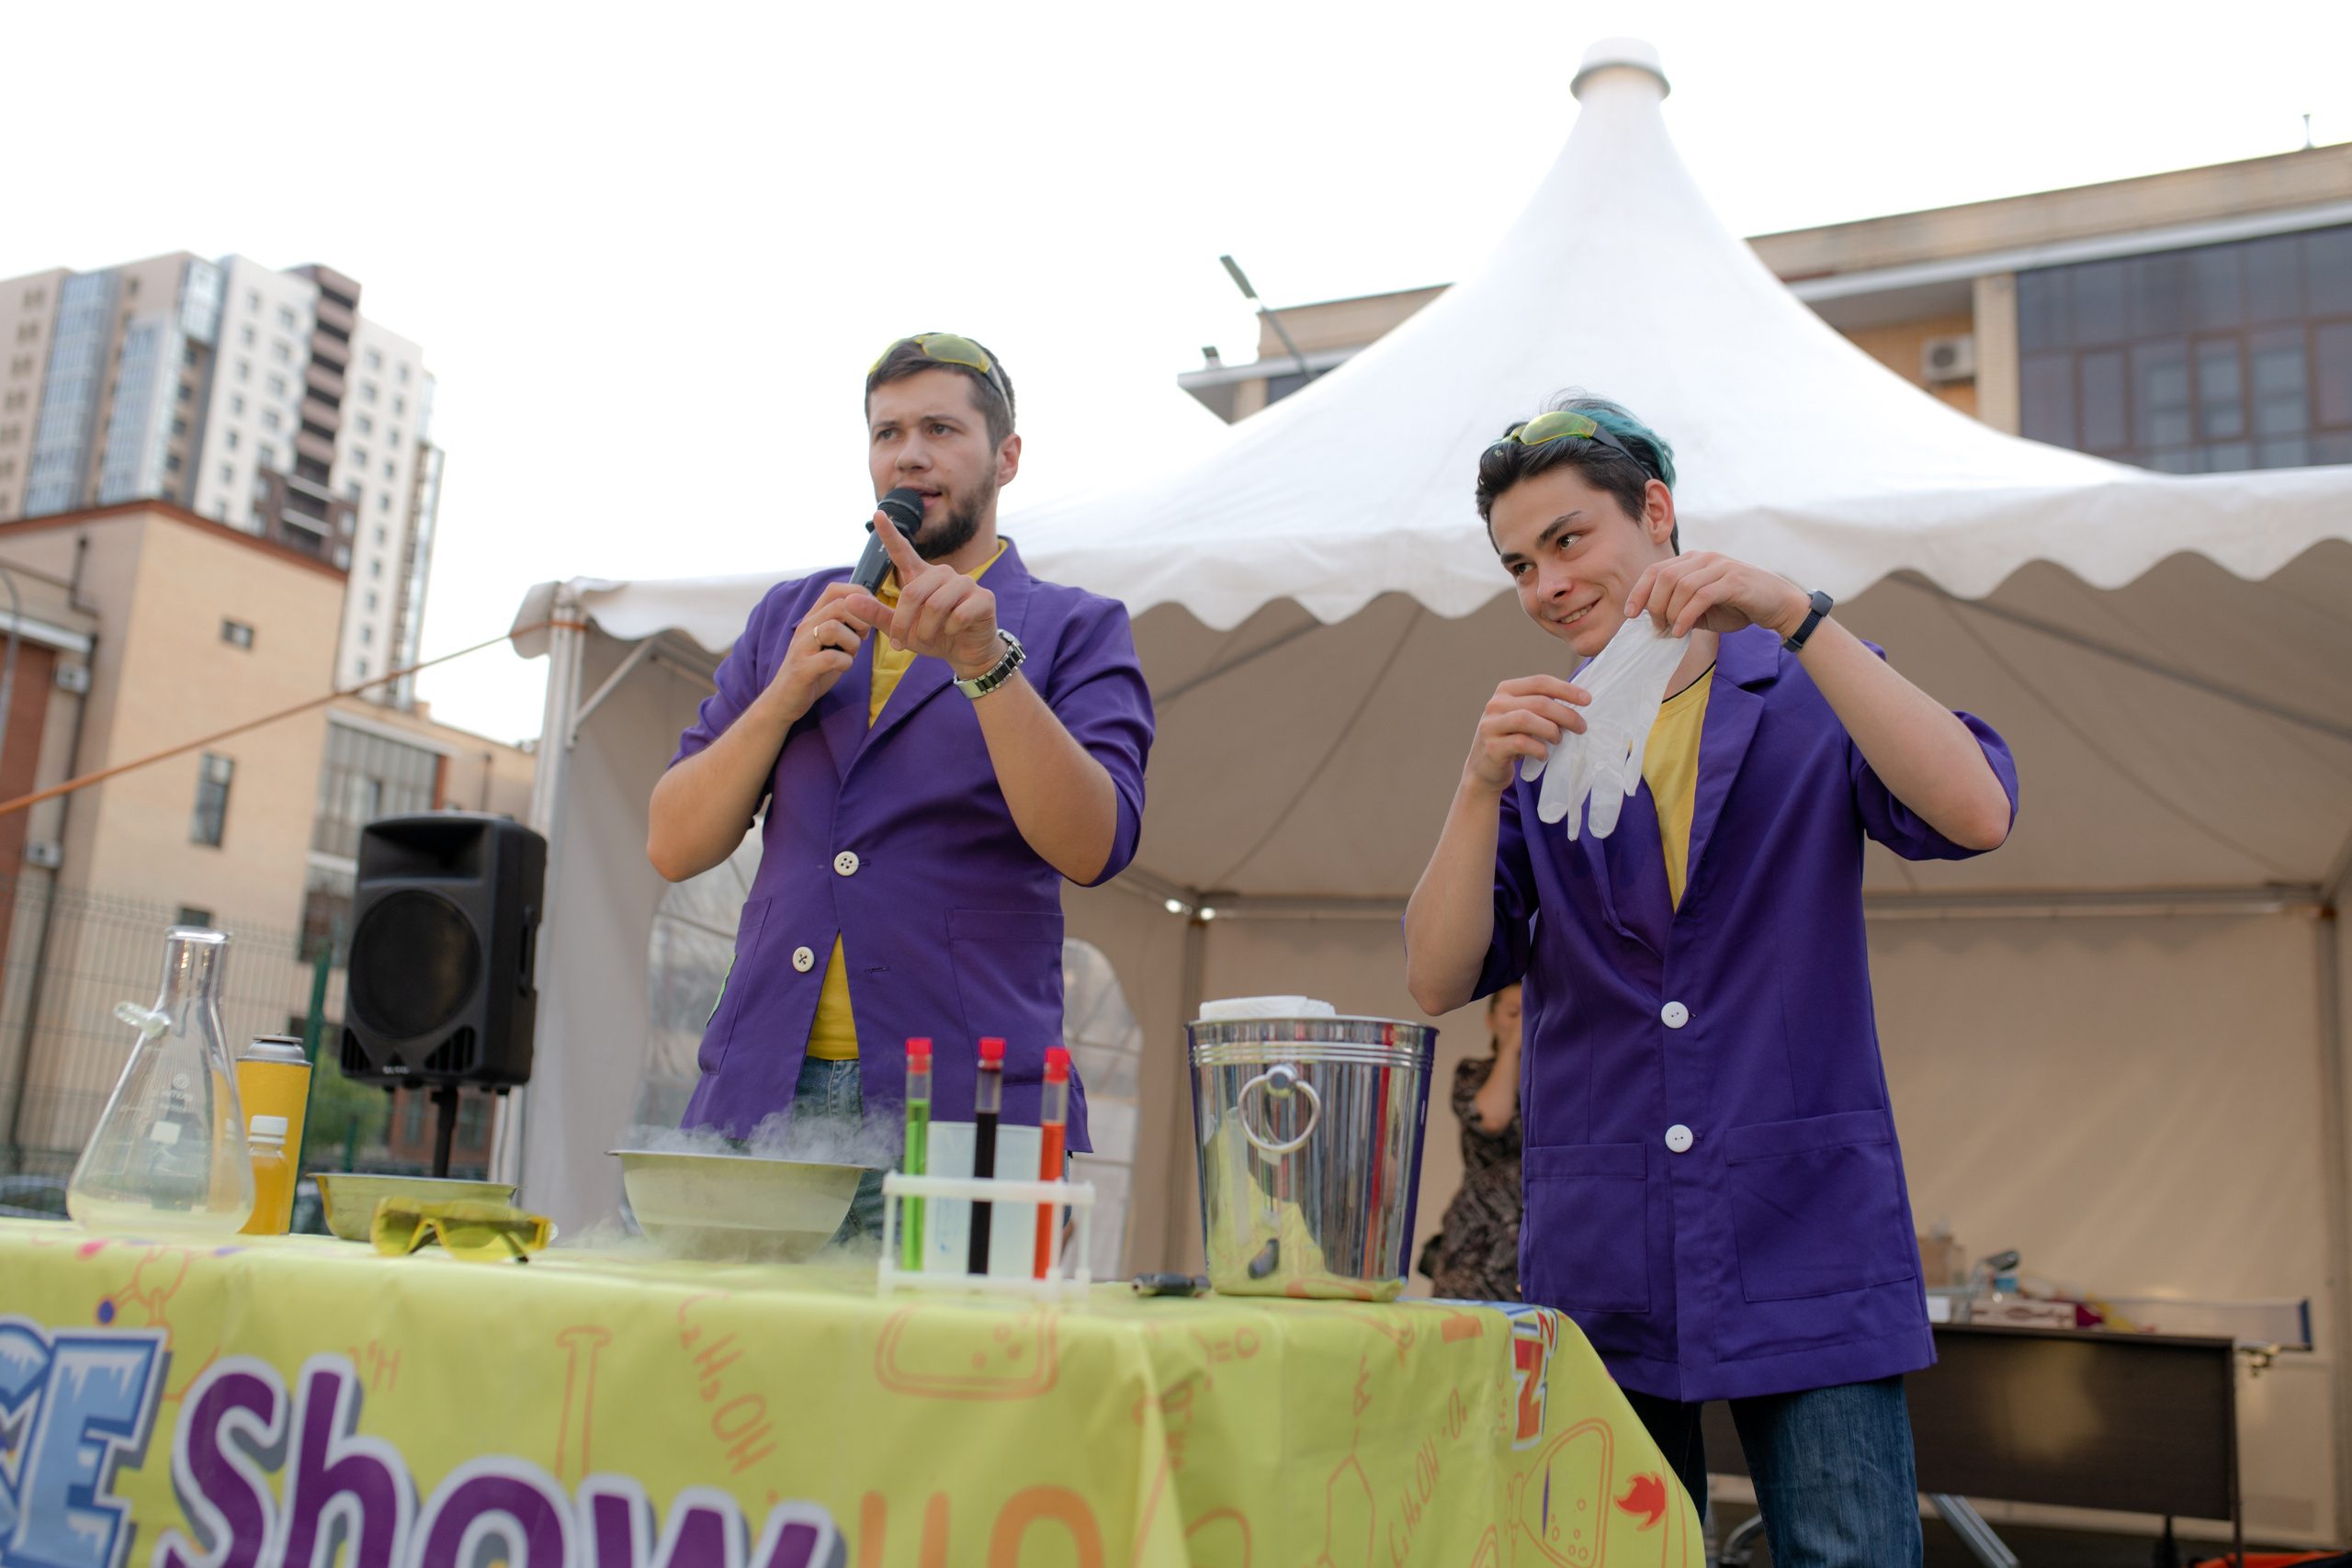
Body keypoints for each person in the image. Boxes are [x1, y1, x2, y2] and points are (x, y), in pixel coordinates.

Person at [1401, 395, 2017, 1567]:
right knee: (1613, 1555)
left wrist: (1796, 615)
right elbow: (1436, 977)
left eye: (1568, 540)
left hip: (1806, 1232)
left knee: (1848, 1556)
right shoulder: (1543, 748)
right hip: (1602, 1240)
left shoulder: (1805, 690)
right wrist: (1477, 784)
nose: (1545, 585)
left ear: (1658, 512)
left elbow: (1977, 812)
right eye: (1518, 565)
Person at [647, 333, 1154, 1238]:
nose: (909, 452)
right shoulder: (791, 616)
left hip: (969, 1112)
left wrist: (987, 668)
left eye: (939, 428)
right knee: (735, 1375)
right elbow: (673, 843)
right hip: (760, 1097)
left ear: (1006, 457)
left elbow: (1094, 845)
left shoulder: (1076, 627)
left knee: (957, 1381)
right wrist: (781, 698)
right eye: (887, 432)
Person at [1423, 983, 1523, 1302]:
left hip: (1540, 1232)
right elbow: (1492, 1119)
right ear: (1491, 1020)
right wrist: (1511, 1047)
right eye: (1513, 1013)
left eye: (1531, 1011)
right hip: (1481, 1232)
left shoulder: (1565, 1080)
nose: (1524, 1020)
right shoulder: (1473, 1073)